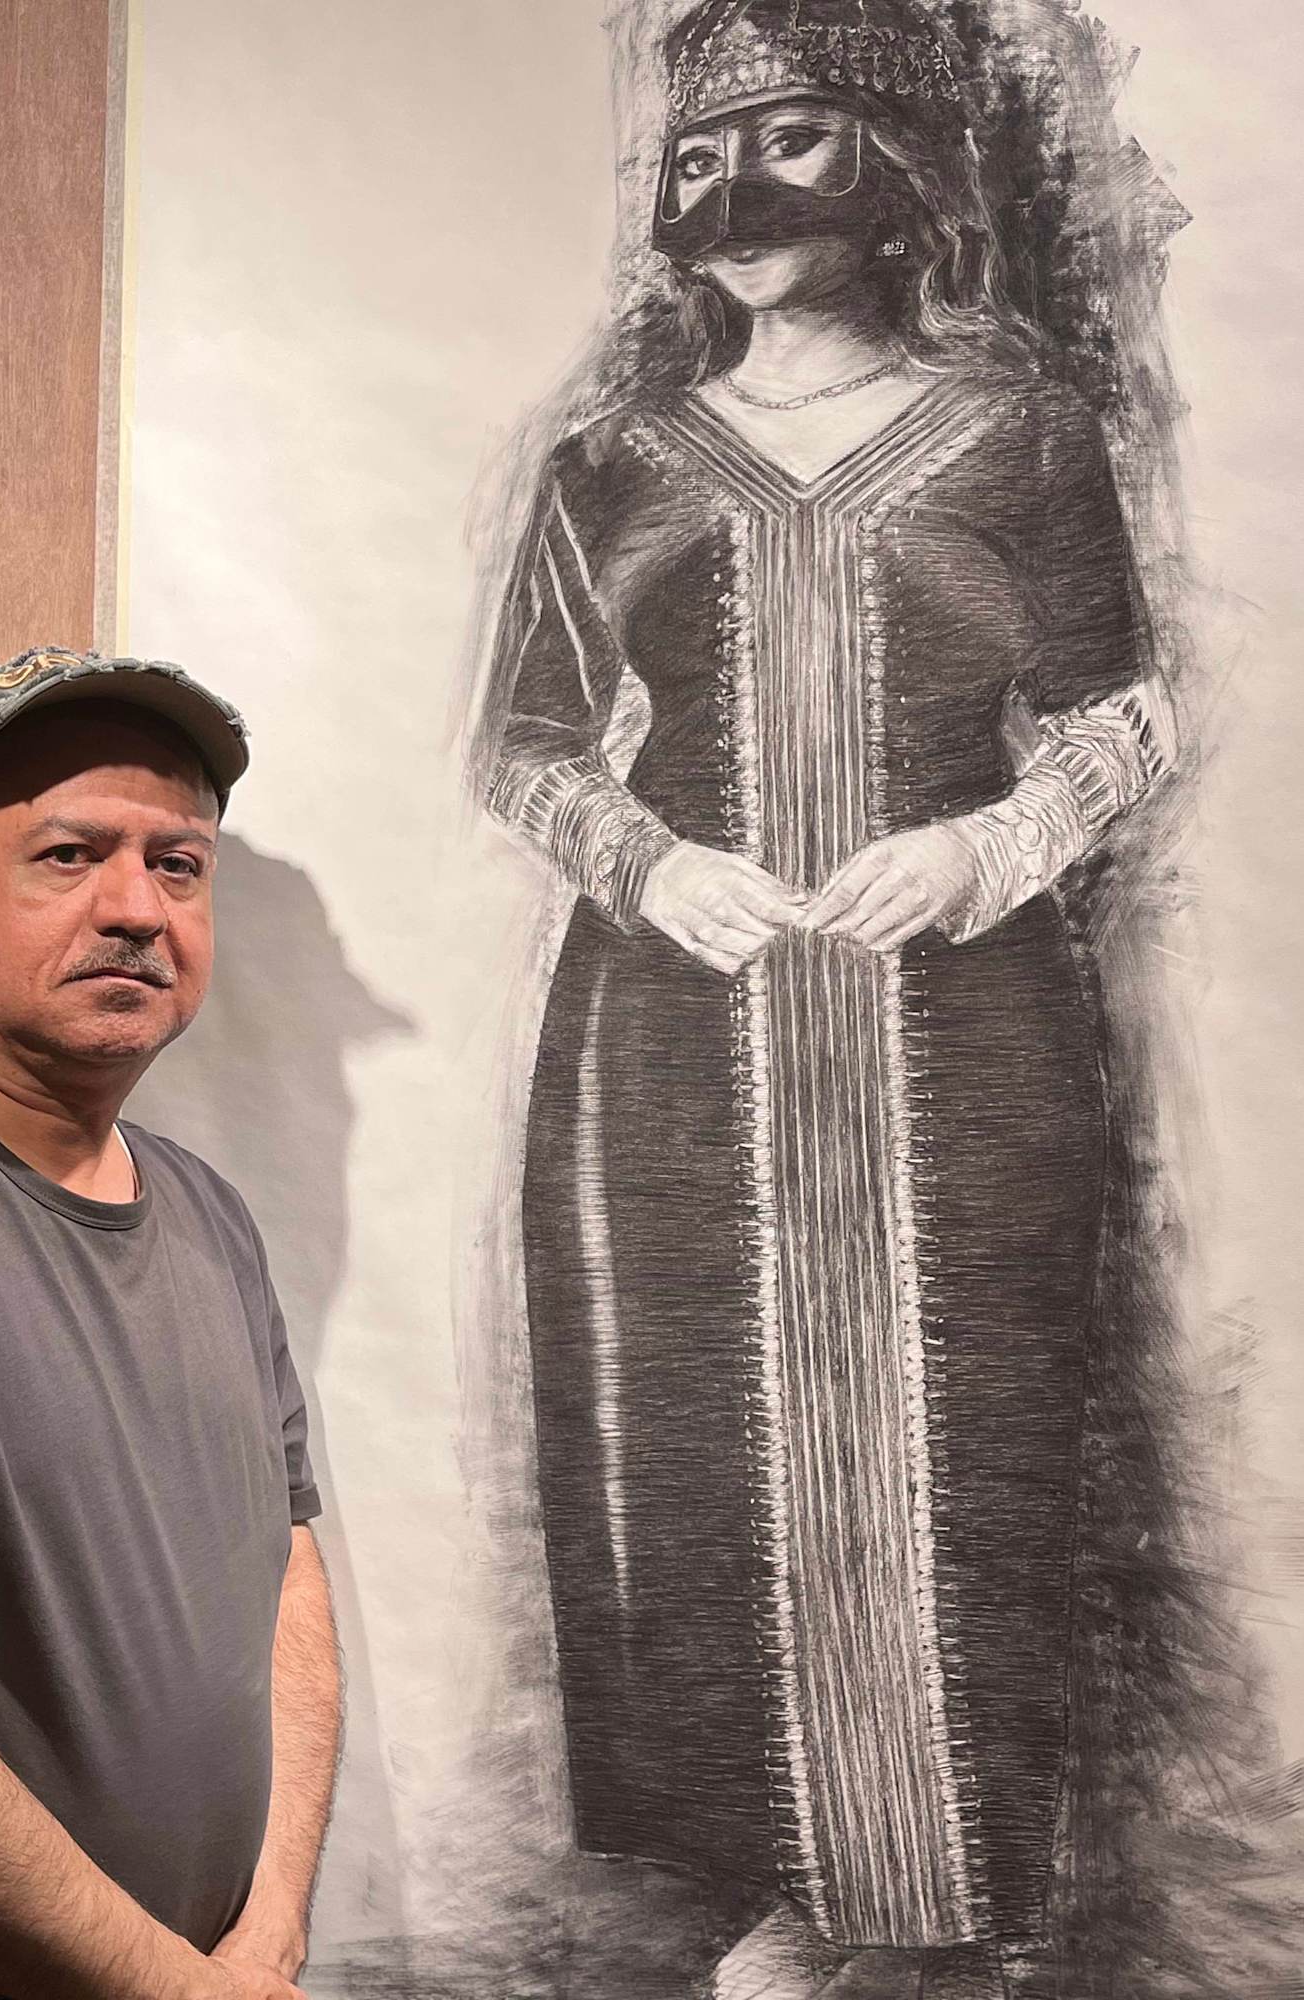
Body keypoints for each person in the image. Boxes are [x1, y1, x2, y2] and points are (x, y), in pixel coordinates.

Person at [478, 3, 1176, 1995]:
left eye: (784, 143)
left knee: (972, 1431)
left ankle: (950, 1900)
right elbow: (525, 745)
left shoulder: (1022, 436)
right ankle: (789, 1891)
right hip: (676, 1026)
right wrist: (651, 865)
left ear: (892, 169)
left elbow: (1124, 710)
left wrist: (988, 847)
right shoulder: (610, 461)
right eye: (699, 157)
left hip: (966, 1020)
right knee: (708, 1438)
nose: (732, 197)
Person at [0, 647, 341, 2000]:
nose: (137, 908)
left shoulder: (210, 1216)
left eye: (178, 864)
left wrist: (269, 1937)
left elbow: (285, 1577)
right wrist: (180, 1989)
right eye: (69, 855)